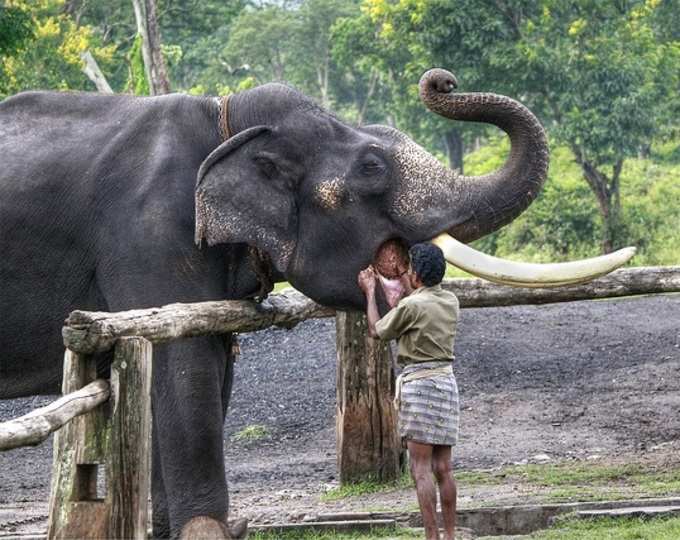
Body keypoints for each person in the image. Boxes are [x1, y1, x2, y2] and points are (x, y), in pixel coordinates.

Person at [358, 243, 460, 540]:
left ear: (416, 275)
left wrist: (369, 291)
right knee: (444, 467)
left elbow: (377, 330)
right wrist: (408, 278)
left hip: (420, 387)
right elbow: (420, 297)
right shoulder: (451, 301)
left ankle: (431, 536)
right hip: (446, 385)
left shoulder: (411, 306)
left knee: (420, 469)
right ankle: (450, 535)